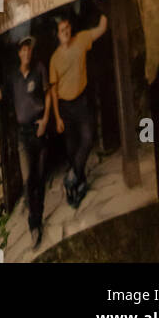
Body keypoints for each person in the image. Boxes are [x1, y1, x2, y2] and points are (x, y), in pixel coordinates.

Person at [0, 35, 51, 248]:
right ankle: (34, 225)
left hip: (40, 130)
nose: (26, 53)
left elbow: (49, 94)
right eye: (22, 50)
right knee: (28, 179)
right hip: (23, 135)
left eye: (28, 49)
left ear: (31, 52)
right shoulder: (13, 78)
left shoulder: (40, 68)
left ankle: (38, 216)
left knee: (41, 178)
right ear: (18, 53)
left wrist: (45, 120)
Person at [49, 11, 108, 208]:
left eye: (67, 28)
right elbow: (53, 91)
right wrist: (57, 117)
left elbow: (101, 28)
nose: (65, 32)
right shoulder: (54, 60)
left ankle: (72, 177)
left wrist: (105, 8)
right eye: (61, 30)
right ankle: (78, 186)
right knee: (72, 149)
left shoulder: (81, 39)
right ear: (57, 35)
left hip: (81, 102)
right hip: (65, 107)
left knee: (88, 138)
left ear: (70, 29)